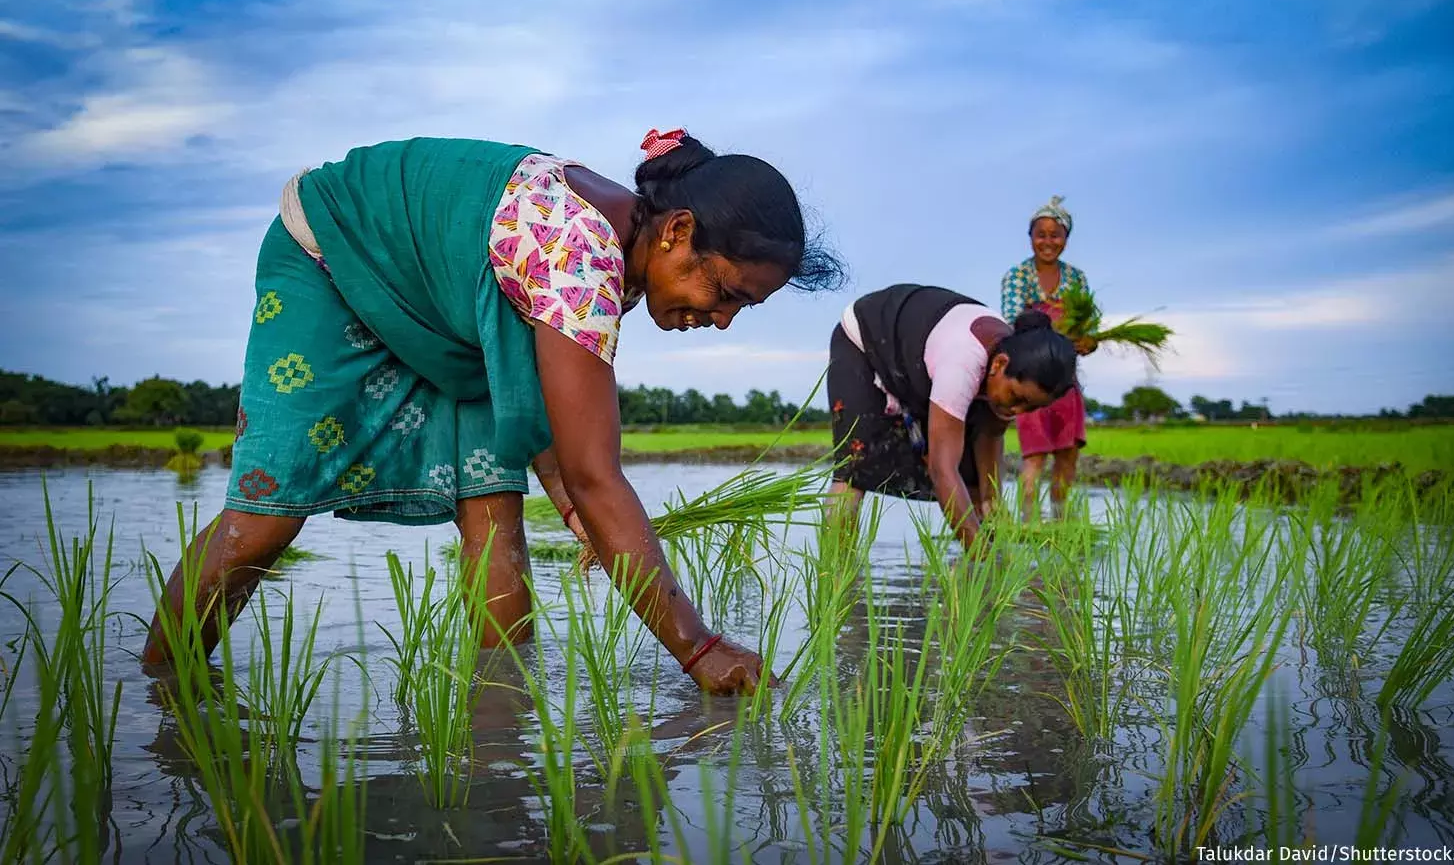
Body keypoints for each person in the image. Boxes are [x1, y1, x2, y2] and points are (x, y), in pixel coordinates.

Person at [140, 128, 845, 695]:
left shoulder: (619, 252)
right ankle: (158, 694)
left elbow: (557, 428)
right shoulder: (581, 256)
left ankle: (498, 745)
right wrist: (698, 648)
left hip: (453, 312)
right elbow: (597, 473)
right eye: (723, 291)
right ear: (677, 231)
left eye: (740, 309)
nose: (720, 319)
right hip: (333, 253)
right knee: (268, 515)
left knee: (491, 506)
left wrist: (572, 501)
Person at [823, 283, 1077, 553]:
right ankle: (836, 575)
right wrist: (979, 553)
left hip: (917, 364)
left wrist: (995, 508)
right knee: (854, 469)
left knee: (973, 478)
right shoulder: (962, 363)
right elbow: (941, 469)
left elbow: (990, 440)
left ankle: (982, 576)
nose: (1017, 412)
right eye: (1017, 398)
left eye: (1030, 408)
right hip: (867, 342)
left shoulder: (1010, 365)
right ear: (1000, 365)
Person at [999, 196, 1098, 520]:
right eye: (1041, 234)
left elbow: (1088, 324)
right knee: (1036, 456)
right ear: (1030, 237)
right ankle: (1029, 523)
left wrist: (1087, 341)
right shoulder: (1016, 277)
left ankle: (1060, 520)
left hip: (1067, 381)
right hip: (1032, 377)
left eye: (1055, 235)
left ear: (1066, 239)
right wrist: (1056, 335)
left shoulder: (1076, 279)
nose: (1048, 241)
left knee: (1068, 455)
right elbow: (1015, 322)